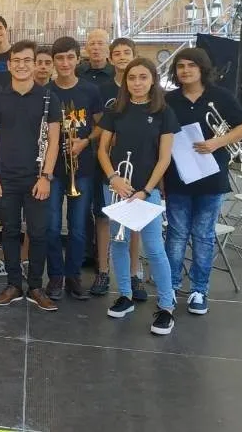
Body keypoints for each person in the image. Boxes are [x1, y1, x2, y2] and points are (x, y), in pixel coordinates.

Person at [164, 48, 242, 315]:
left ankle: (199, 290)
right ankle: (171, 285)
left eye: (191, 65)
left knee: (203, 236)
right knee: (176, 235)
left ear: (202, 68)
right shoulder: (168, 99)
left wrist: (218, 142)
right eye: (180, 66)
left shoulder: (220, 96)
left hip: (212, 177)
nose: (186, 70)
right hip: (178, 177)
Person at [98, 58, 179, 335]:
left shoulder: (163, 112)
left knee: (154, 247)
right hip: (117, 188)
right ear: (125, 81)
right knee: (118, 243)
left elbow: (164, 158)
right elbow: (102, 151)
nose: (137, 83)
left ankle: (167, 306)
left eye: (143, 77)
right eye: (132, 78)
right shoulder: (115, 110)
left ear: (152, 80)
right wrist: (114, 178)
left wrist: (145, 189)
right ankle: (125, 295)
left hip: (147, 190)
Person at [0, 40, 61, 311]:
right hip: (6, 177)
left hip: (37, 177)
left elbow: (53, 140)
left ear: (34, 63)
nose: (21, 65)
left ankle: (36, 286)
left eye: (27, 60)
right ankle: (14, 284)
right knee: (10, 232)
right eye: (16, 60)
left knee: (39, 233)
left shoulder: (49, 98)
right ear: (9, 64)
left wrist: (46, 176)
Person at [43, 37, 102, 301]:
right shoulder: (46, 92)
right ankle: (55, 276)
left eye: (70, 57)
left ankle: (74, 276)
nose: (65, 63)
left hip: (84, 168)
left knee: (78, 227)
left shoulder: (90, 91)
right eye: (60, 58)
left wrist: (85, 141)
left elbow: (102, 126)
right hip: (54, 169)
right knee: (52, 226)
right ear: (54, 62)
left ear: (78, 59)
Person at [91, 37, 141, 297]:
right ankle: (102, 271)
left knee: (133, 221)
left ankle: (134, 275)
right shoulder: (104, 90)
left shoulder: (144, 89)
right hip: (109, 161)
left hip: (138, 164)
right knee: (104, 217)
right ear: (110, 59)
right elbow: (100, 126)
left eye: (127, 52)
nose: (122, 57)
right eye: (117, 53)